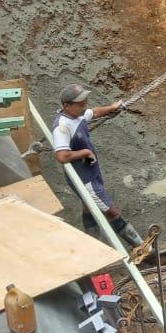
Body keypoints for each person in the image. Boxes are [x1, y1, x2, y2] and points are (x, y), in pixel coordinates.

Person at [52, 83, 142, 247]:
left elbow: (93, 112)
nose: (84, 106)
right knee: (111, 211)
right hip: (84, 179)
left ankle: (93, 245)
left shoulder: (77, 115)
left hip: (89, 173)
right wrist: (85, 152)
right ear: (66, 106)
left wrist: (112, 107)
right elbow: (61, 156)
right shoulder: (62, 127)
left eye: (85, 102)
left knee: (88, 207)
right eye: (80, 104)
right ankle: (142, 247)